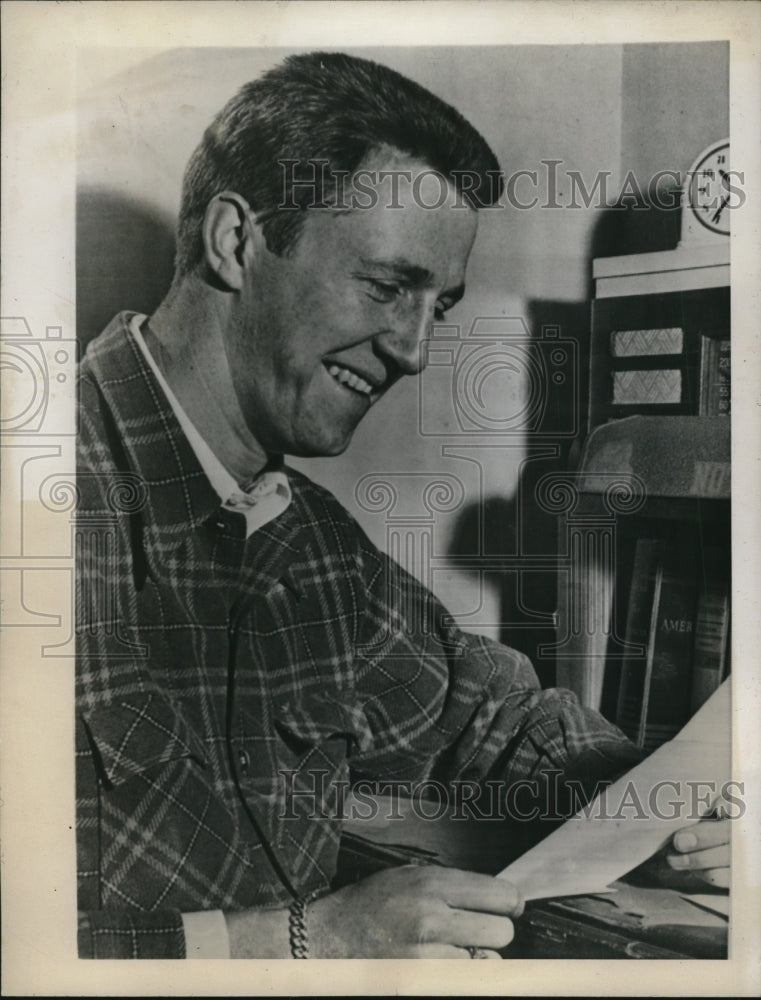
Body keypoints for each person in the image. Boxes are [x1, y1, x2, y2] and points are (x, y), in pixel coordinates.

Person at [75, 51, 729, 959]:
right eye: (386, 288)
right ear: (234, 242)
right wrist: (311, 943)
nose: (416, 352)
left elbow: (490, 720)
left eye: (440, 308)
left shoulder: (309, 542)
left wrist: (689, 809)